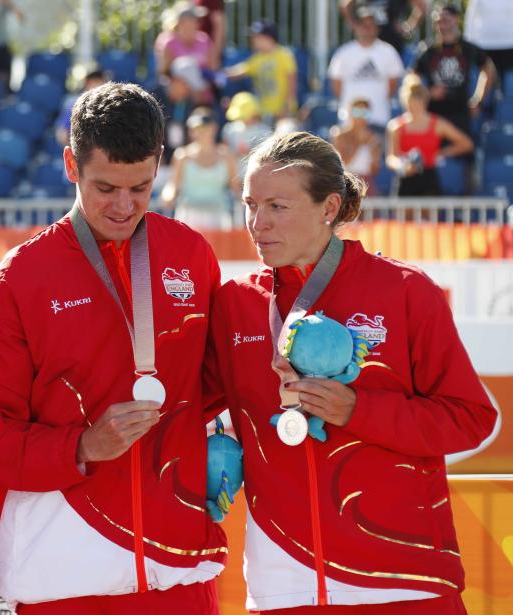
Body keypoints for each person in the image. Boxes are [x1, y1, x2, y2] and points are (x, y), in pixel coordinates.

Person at [205, 130, 497, 613]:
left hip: (405, 580)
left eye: (277, 206)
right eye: (250, 205)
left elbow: (471, 417)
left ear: (328, 207)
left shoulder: (404, 290)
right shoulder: (235, 304)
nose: (258, 223)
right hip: (284, 583)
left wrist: (359, 410)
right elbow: (186, 404)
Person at [0, 82, 226, 613]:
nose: (124, 206)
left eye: (141, 187)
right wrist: (81, 447)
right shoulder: (22, 277)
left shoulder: (190, 254)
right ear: (70, 165)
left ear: (159, 166)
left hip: (177, 567)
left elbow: (217, 385)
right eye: (106, 187)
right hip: (64, 570)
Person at [413, 4, 495, 137]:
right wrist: (427, 92)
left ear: (456, 19)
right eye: (439, 21)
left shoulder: (468, 48)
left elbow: (488, 69)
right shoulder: (428, 50)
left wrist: (478, 100)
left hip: (460, 113)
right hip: (433, 113)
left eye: (446, 20)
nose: (443, 25)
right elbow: (412, 77)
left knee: (463, 150)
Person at [385, 74, 473, 196]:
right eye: (412, 104)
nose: (415, 108)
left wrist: (441, 153)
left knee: (429, 214)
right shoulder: (396, 126)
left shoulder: (438, 124)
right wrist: (403, 166)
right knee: (403, 215)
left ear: (424, 102)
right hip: (405, 179)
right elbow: (391, 158)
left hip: (429, 179)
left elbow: (466, 144)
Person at [328, 9, 404, 130]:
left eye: (371, 25)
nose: (367, 29)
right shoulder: (343, 53)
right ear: (356, 27)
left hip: (379, 117)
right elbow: (337, 85)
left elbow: (393, 84)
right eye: (363, 25)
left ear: (377, 29)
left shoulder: (388, 52)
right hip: (349, 120)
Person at [163, 107, 238, 229]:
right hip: (188, 216)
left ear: (214, 128)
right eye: (196, 128)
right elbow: (173, 185)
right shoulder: (182, 155)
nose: (200, 132)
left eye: (205, 127)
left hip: (219, 217)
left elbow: (236, 188)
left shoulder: (227, 156)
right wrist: (168, 195)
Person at [225, 20, 298, 120]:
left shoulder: (284, 55)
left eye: (256, 37)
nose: (253, 40)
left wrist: (287, 107)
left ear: (268, 37)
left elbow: (292, 82)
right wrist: (216, 74)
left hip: (283, 112)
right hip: (264, 113)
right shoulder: (257, 58)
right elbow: (237, 72)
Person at [331, 97, 383, 194]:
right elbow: (343, 163)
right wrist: (359, 143)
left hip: (367, 185)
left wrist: (374, 155)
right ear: (350, 113)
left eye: (364, 112)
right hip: (346, 184)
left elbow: (375, 170)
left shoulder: (374, 138)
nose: (361, 117)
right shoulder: (340, 135)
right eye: (357, 112)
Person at [339, 0, 428, 54]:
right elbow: (344, 5)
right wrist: (355, 25)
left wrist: (408, 27)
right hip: (364, 46)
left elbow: (421, 6)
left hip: (393, 45)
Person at [222, 91, 273, 178]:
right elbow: (224, 150)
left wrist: (250, 152)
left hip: (257, 176)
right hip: (234, 177)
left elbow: (268, 158)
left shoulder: (264, 131)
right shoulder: (229, 129)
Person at [55, 68, 109, 148]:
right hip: (81, 153)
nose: (96, 85)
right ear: (86, 83)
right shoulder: (73, 104)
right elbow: (62, 133)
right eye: (92, 81)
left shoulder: (112, 104)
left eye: (99, 80)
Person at [464, 0, 513, 80]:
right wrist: (468, 44)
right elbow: (470, 16)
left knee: (510, 89)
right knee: (484, 89)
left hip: (509, 48)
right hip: (484, 47)